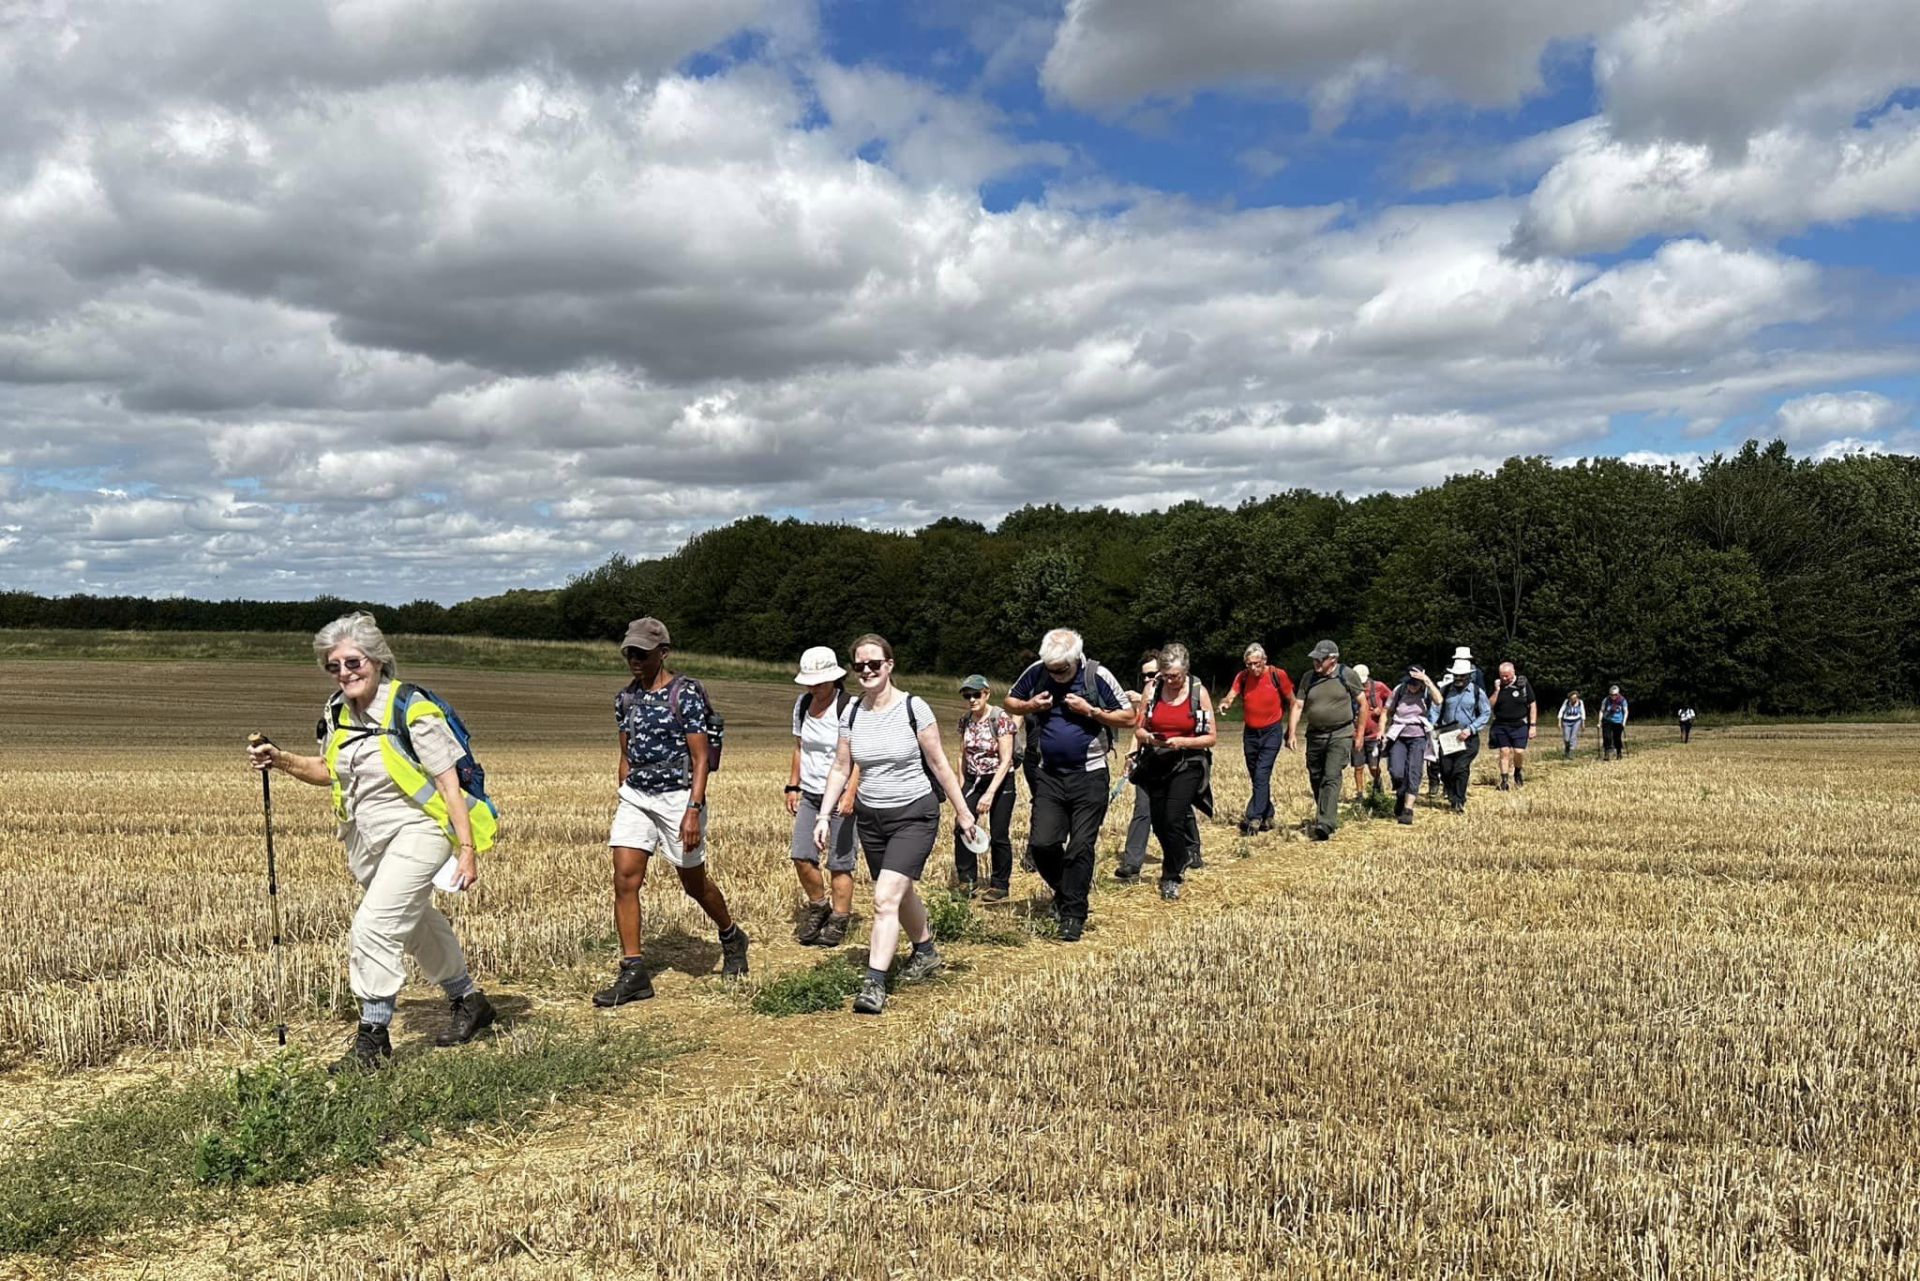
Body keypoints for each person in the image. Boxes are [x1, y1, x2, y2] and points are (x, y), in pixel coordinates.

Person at [245, 612, 497, 1072]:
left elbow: (448, 786)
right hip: (364, 837)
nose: (344, 673)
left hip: (421, 830)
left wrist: (466, 849)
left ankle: (373, 1039)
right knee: (416, 920)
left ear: (377, 660)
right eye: (334, 666)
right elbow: (327, 771)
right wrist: (280, 760)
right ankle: (469, 1000)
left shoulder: (412, 709)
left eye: (353, 662)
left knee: (373, 927)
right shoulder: (336, 712)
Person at [815, 635, 981, 1015]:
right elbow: (841, 767)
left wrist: (963, 812)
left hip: (914, 814)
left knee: (884, 898)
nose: (868, 671)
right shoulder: (852, 713)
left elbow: (939, 764)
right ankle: (926, 951)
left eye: (875, 664)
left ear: (890, 665)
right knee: (900, 892)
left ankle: (874, 983)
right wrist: (824, 815)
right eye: (860, 666)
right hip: (872, 818)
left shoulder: (914, 708)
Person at [595, 618, 748, 1009]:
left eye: (642, 653)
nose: (634, 659)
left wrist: (693, 810)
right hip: (637, 797)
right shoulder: (625, 699)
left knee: (693, 884)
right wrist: (623, 792)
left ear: (662, 653)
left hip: (679, 797)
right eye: (630, 652)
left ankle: (731, 935)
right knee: (625, 881)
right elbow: (625, 753)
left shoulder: (685, 694)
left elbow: (700, 759)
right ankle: (634, 971)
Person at [1004, 628, 1136, 941]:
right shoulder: (1038, 672)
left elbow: (1130, 717)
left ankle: (1073, 914)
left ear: (1075, 659)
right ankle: (1067, 892)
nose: (1057, 676)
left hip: (1089, 775)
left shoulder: (1097, 675)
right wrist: (1032, 705)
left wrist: (1091, 711)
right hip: (1049, 774)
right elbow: (1010, 701)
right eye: (1052, 670)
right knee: (1042, 845)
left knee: (1080, 847)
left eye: (1062, 670)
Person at [1130, 645, 1217, 900]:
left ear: (1186, 671)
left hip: (1188, 762)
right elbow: (1139, 729)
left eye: (1175, 676)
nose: (1170, 681)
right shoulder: (1153, 690)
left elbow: (1210, 737)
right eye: (1166, 675)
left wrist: (1182, 742)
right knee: (1158, 823)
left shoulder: (1198, 693)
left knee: (1172, 818)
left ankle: (1171, 875)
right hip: (1157, 760)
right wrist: (1151, 739)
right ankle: (1181, 856)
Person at [787, 646, 858, 947]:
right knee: (801, 855)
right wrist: (793, 786)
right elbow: (800, 748)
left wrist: (851, 792)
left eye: (819, 681)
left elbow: (861, 757)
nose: (813, 687)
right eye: (810, 682)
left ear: (834, 679)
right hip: (811, 794)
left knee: (840, 862)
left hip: (842, 795)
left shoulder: (850, 707)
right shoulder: (802, 705)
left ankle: (839, 920)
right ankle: (819, 907)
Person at [1119, 652, 1201, 881]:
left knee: (1178, 810)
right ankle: (1132, 862)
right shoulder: (1149, 694)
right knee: (1143, 808)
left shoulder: (1185, 692)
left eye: (1153, 674)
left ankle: (1191, 848)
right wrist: (1131, 754)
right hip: (1150, 759)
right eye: (1145, 675)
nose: (1149, 679)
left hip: (1181, 761)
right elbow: (1140, 729)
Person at [1286, 640, 1368, 841]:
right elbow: (1297, 706)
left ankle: (1325, 822)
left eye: (1320, 659)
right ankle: (1326, 812)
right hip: (1315, 735)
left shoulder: (1346, 675)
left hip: (1340, 734)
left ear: (1333, 659)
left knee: (1331, 776)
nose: (1316, 662)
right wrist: (1291, 733)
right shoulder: (1308, 678)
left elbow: (1363, 704)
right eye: (1314, 658)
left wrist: (1359, 735)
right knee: (1316, 777)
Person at [1217, 644, 1294, 836]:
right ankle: (1268, 814)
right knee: (1256, 775)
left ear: (1265, 661)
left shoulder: (1278, 675)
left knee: (1262, 773)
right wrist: (1225, 703)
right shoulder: (1242, 677)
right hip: (1250, 733)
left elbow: (1293, 701)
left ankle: (1254, 817)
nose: (1253, 668)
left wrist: (1291, 731)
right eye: (1249, 664)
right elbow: (1231, 695)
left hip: (1272, 731)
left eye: (1257, 664)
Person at [953, 673, 1017, 901]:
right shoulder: (965, 720)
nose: (972, 699)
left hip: (999, 781)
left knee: (999, 833)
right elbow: (962, 755)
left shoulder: (1000, 719)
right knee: (962, 827)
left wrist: (990, 794)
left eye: (976, 694)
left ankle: (1000, 884)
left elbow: (1006, 759)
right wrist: (961, 788)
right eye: (967, 695)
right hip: (973, 780)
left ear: (987, 693)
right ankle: (967, 881)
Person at [1379, 665, 1441, 824]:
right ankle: (1401, 794)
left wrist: (1426, 681)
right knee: (1396, 771)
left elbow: (1439, 700)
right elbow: (1386, 711)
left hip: (1418, 737)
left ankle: (1408, 809)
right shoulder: (1399, 690)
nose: (1411, 687)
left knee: (1414, 771)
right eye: (1409, 683)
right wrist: (1381, 731)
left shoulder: (1426, 692)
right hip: (1399, 735)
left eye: (1414, 684)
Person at [1434, 656, 1492, 812]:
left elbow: (1486, 713)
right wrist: (1433, 726)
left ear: (1469, 676)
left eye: (1462, 676)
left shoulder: (1477, 692)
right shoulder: (1445, 690)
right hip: (1447, 736)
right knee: (1445, 770)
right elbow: (1435, 709)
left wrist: (1470, 729)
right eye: (1456, 676)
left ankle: (1459, 800)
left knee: (1460, 767)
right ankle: (1452, 795)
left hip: (1468, 737)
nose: (1458, 678)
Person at [1488, 661, 1538, 790]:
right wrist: (1497, 690)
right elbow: (1489, 705)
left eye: (1507, 676)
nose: (1504, 678)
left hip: (1520, 724)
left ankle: (1517, 772)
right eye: (1502, 676)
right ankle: (1504, 780)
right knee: (1504, 752)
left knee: (1519, 752)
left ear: (1513, 672)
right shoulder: (1497, 686)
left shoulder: (1523, 684)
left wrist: (1532, 725)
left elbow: (1532, 704)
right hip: (1501, 724)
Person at [1351, 663, 1393, 798]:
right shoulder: (1350, 689)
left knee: (1373, 767)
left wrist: (1381, 711)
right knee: (1358, 767)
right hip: (1356, 735)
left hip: (1374, 735)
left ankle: (1377, 784)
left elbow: (1392, 701)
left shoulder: (1379, 687)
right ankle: (1359, 793)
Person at [1599, 685, 1630, 759]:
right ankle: (1607, 753)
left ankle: (1619, 752)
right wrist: (1599, 721)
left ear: (1618, 694)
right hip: (1607, 720)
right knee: (1607, 737)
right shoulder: (1606, 700)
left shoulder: (1622, 700)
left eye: (1615, 695)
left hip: (1618, 721)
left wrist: (1624, 722)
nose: (1613, 696)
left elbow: (1626, 711)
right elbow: (1601, 710)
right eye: (1611, 695)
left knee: (1617, 738)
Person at [1558, 690, 1587, 758]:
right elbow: (1561, 711)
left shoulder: (1580, 702)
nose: (1573, 700)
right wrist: (1559, 722)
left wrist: (1583, 723)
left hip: (1576, 721)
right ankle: (1567, 749)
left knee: (1573, 737)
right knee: (1566, 738)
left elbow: (1583, 712)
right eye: (1572, 698)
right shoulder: (1566, 702)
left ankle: (1572, 751)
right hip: (1566, 721)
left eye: (1575, 698)